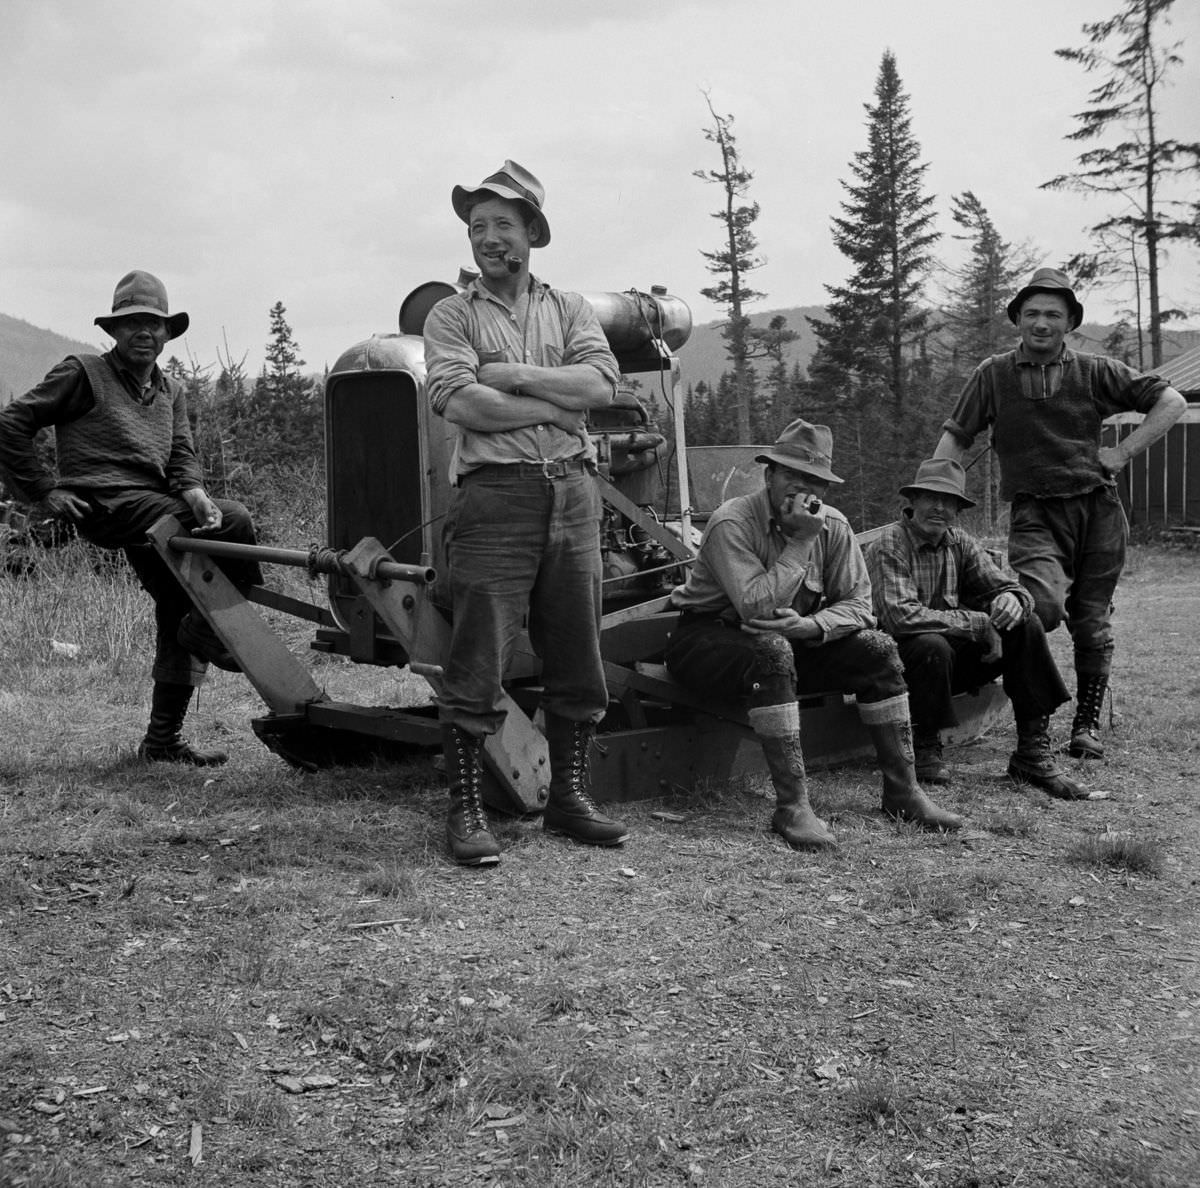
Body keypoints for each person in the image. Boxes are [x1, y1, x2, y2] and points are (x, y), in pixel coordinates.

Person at [422, 159, 629, 866]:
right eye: (477, 226)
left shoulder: (569, 308)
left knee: (577, 651)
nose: (487, 237)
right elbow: (463, 401)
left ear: (532, 232)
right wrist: (552, 404)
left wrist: (512, 377)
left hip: (573, 495)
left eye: (502, 224)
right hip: (494, 499)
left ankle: (568, 800)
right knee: (477, 655)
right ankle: (467, 810)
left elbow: (601, 384)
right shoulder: (450, 314)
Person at [0, 270, 263, 766]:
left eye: (154, 324)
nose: (145, 332)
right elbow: (12, 422)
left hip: (157, 506)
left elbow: (181, 451)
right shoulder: (81, 373)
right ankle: (213, 630)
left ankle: (162, 741)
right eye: (133, 323)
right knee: (238, 521)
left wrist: (196, 492)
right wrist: (43, 492)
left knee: (179, 600)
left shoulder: (171, 390)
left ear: (167, 333)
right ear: (114, 332)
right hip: (108, 507)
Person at [665, 419, 964, 851]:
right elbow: (756, 607)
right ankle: (793, 806)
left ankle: (904, 791)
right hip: (709, 639)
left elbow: (861, 606)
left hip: (793, 637)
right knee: (770, 650)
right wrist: (801, 542)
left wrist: (811, 626)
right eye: (792, 476)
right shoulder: (732, 522)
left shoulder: (835, 526)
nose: (802, 490)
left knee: (878, 651)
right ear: (768, 476)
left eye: (814, 481)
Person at [935, 267, 1186, 761]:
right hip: (1035, 513)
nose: (1042, 323)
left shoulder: (1096, 371)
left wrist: (1122, 452)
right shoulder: (994, 374)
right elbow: (957, 436)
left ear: (1070, 320)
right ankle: (1006, 697)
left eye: (1053, 313)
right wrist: (935, 493)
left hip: (1098, 511)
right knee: (1038, 608)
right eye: (1032, 313)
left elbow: (1171, 401)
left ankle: (1085, 726)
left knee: (1091, 622)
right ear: (1018, 320)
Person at [866, 458, 1086, 799]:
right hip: (900, 669)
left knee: (1025, 624)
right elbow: (900, 618)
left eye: (949, 501)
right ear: (913, 502)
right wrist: (981, 623)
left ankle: (1031, 750)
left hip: (950, 664)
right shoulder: (890, 545)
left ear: (957, 509)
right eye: (931, 498)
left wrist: (1012, 599)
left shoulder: (960, 543)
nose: (940, 508)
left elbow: (1004, 585)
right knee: (929, 645)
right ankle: (924, 748)